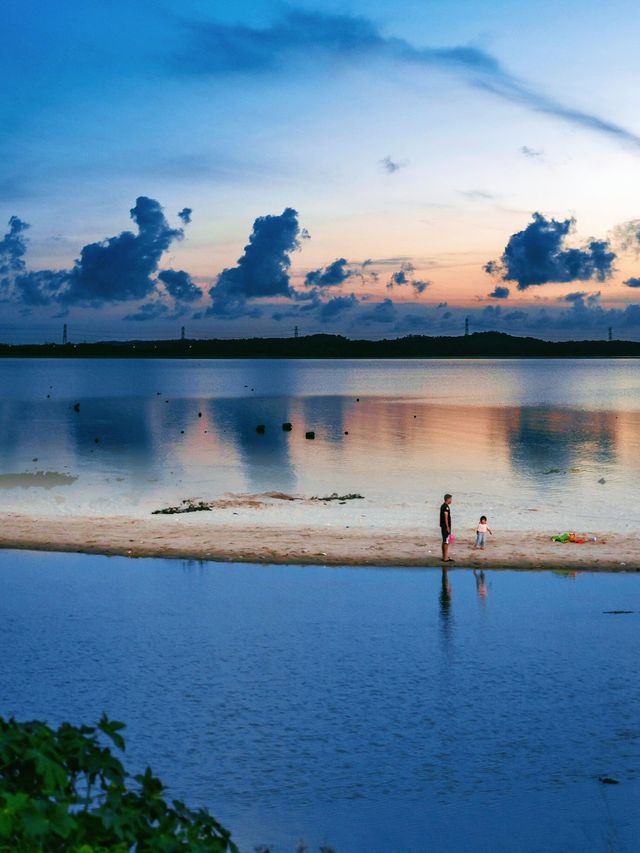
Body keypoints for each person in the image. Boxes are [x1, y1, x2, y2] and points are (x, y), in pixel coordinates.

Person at [439, 493, 453, 562]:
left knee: (445, 541)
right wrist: (447, 527)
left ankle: (444, 556)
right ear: (448, 499)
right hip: (445, 527)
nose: (451, 500)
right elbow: (446, 517)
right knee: (446, 542)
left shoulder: (443, 506)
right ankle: (445, 558)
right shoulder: (446, 507)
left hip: (443, 526)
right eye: (450, 499)